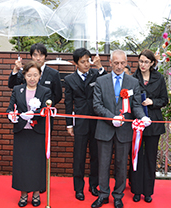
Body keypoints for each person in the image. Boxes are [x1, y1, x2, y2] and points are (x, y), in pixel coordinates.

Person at [92, 50, 151, 208]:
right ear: (110, 63)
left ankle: (118, 195)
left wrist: (142, 117)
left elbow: (136, 105)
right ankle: (103, 194)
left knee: (121, 164)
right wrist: (112, 117)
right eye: (116, 63)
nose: (119, 66)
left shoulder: (132, 82)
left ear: (126, 63)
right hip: (104, 129)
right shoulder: (101, 81)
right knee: (103, 164)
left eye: (122, 63)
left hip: (124, 131)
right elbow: (97, 105)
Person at [6, 61, 51, 207]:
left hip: (37, 132)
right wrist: (11, 116)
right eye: (29, 75)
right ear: (24, 75)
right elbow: (10, 108)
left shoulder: (45, 91)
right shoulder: (17, 89)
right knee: (22, 165)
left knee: (37, 164)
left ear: (40, 76)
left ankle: (36, 194)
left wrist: (34, 115)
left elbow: (46, 110)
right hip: (21, 132)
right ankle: (23, 194)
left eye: (35, 75)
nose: (32, 78)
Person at [64, 48, 106, 201]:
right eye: (82, 62)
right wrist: (69, 124)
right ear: (75, 63)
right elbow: (68, 104)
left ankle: (94, 185)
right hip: (80, 122)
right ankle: (78, 188)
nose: (86, 64)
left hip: (96, 120)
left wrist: (100, 66)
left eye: (88, 60)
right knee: (79, 156)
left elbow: (106, 80)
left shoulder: (96, 74)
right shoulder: (69, 80)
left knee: (95, 155)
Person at [130, 49, 168, 203]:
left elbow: (164, 99)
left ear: (152, 63)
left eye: (146, 62)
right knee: (136, 157)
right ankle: (136, 190)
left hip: (153, 123)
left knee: (150, 158)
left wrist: (153, 102)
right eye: (140, 61)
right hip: (137, 124)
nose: (143, 65)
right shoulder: (133, 78)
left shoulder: (159, 78)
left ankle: (148, 191)